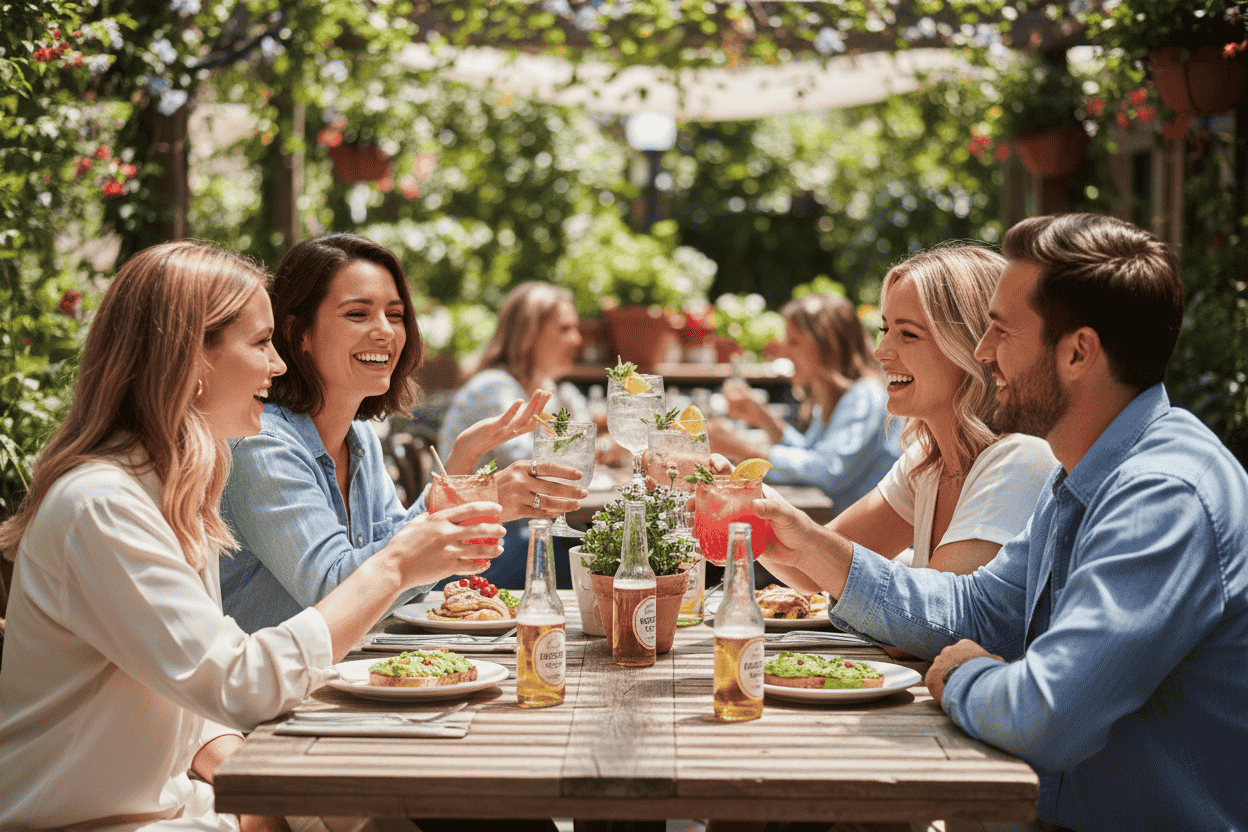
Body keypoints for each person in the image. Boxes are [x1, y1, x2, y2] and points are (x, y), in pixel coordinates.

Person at [755, 214, 1248, 831]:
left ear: (1077, 352)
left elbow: (1052, 714)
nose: (983, 354)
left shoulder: (1164, 496)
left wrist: (964, 675)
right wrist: (808, 544)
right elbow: (977, 608)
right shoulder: (1084, 472)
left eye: (1000, 331)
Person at [0, 241, 505, 832]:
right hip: (102, 822)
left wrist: (251, 775)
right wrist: (394, 565)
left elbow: (182, 675)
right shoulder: (103, 505)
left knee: (420, 812)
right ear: (190, 359)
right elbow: (240, 683)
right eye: (261, 343)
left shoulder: (168, 488)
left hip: (171, 801)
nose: (280, 365)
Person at [220, 234, 586, 632]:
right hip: (281, 689)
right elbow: (333, 590)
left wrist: (461, 473)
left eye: (395, 316)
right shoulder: (261, 446)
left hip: (352, 669)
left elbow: (405, 575)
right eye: (357, 314)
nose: (385, 332)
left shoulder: (359, 439)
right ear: (298, 332)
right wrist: (472, 496)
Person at [438, 281, 591, 589]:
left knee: (590, 552)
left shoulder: (542, 385)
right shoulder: (494, 387)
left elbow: (581, 444)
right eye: (564, 328)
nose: (577, 339)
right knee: (590, 559)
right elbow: (532, 463)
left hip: (510, 535)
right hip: (476, 552)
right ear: (530, 333)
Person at [707, 293, 902, 512]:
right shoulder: (840, 396)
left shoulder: (865, 397)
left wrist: (745, 450)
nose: (785, 352)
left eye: (794, 342)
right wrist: (763, 417)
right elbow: (811, 454)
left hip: (859, 539)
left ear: (827, 345)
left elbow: (828, 471)